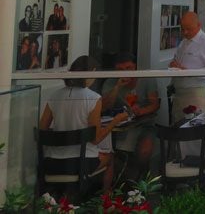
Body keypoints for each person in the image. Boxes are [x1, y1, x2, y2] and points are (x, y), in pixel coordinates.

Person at [39, 55, 128, 192]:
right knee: (110, 158)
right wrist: (115, 121)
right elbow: (95, 139)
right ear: (91, 72)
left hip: (52, 162)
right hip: (81, 163)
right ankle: (106, 200)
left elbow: (42, 130)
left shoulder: (55, 96)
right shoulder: (93, 98)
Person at [101, 53, 160, 173]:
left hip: (144, 124)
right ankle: (121, 179)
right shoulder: (110, 82)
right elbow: (104, 107)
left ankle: (141, 181)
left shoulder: (146, 78)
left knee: (145, 150)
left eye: (128, 68)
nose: (125, 72)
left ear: (135, 67)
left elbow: (155, 104)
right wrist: (117, 86)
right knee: (109, 152)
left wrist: (141, 111)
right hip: (117, 126)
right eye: (120, 69)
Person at [168, 11, 205, 122]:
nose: (185, 32)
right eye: (183, 29)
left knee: (193, 132)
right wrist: (173, 64)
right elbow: (177, 61)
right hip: (178, 94)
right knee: (178, 131)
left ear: (199, 25)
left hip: (195, 94)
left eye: (189, 29)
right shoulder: (183, 43)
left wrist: (188, 71)